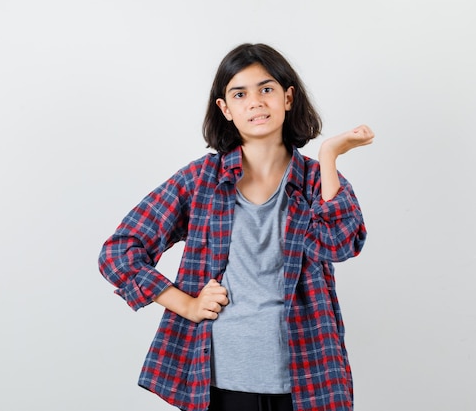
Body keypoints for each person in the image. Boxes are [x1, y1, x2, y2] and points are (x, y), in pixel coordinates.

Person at [98, 43, 374, 411]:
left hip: (308, 377)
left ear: (288, 98)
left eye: (266, 89)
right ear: (225, 109)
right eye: (240, 94)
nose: (255, 102)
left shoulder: (315, 180)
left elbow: (341, 244)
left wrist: (329, 156)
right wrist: (186, 304)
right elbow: (120, 251)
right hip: (219, 378)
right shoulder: (199, 180)